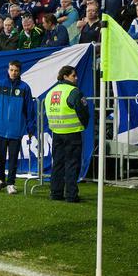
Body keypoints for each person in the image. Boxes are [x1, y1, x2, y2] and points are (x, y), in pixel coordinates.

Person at [0, 60, 36, 194]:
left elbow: (29, 109)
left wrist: (30, 127)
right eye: (11, 70)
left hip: (16, 129)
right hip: (0, 127)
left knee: (14, 158)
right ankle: (0, 180)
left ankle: (11, 183)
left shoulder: (25, 87)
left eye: (16, 70)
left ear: (19, 71)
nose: (13, 73)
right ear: (8, 70)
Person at [44, 66, 89, 203]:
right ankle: (71, 195)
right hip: (72, 134)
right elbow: (83, 112)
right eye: (73, 75)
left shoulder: (50, 92)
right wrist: (84, 125)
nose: (76, 78)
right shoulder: (74, 92)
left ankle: (56, 193)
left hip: (56, 133)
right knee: (72, 164)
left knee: (57, 164)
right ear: (65, 76)